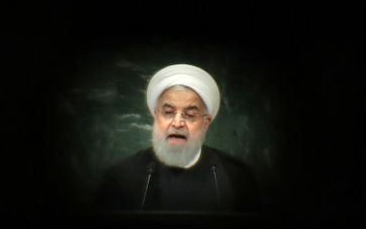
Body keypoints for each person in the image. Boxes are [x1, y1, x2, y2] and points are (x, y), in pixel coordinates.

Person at [95, 63, 261, 213]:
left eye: (190, 115)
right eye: (168, 112)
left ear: (206, 123)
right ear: (155, 116)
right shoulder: (120, 178)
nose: (177, 123)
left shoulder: (236, 177)